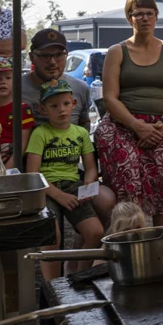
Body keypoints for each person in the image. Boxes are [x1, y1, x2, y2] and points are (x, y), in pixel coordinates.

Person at [95, 0, 163, 225]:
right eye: (138, 13)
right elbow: (110, 98)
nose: (144, 18)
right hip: (125, 123)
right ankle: (129, 226)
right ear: (129, 18)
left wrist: (161, 126)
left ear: (156, 17)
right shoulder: (116, 52)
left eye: (149, 13)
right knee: (125, 157)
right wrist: (136, 126)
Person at [20, 29, 116, 257]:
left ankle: (78, 264)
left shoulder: (81, 88)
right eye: (45, 55)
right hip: (33, 174)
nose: (52, 61)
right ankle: (49, 280)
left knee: (107, 200)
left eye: (59, 55)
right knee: (50, 231)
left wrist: (89, 181)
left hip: (70, 172)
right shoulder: (16, 87)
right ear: (33, 57)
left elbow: (82, 135)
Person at [26, 79, 105, 280]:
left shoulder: (80, 133)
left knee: (95, 232)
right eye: (54, 106)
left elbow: (90, 168)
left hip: (73, 186)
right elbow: (33, 173)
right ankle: (53, 286)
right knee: (52, 235)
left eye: (66, 104)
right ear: (43, 109)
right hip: (47, 188)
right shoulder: (40, 133)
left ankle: (81, 275)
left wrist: (89, 184)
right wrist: (58, 195)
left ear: (74, 104)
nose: (61, 110)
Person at [0, 57, 35, 169]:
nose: (2, 82)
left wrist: (6, 170)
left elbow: (22, 144)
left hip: (12, 166)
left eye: (8, 77)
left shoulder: (22, 109)